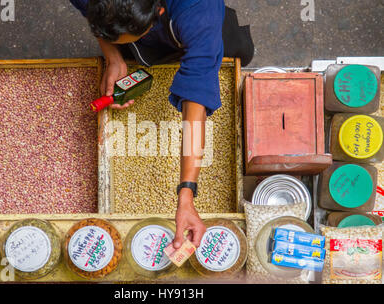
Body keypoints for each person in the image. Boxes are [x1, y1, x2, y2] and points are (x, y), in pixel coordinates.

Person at [70, 0, 254, 249]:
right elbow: (92, 17)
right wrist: (113, 57)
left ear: (158, 11)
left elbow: (195, 101)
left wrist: (187, 193)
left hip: (194, 25)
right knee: (140, 54)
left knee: (230, 49)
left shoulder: (199, 12)